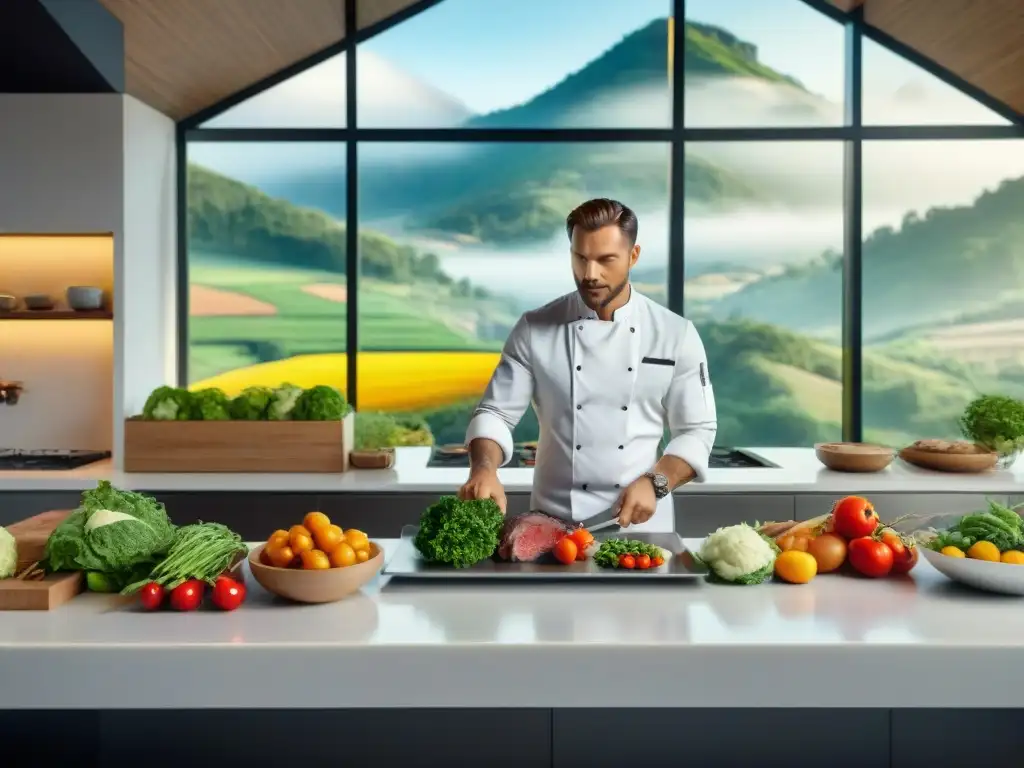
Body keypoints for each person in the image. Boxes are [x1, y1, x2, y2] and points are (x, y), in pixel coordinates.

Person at [457, 198, 717, 532]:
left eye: (606, 260)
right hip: (551, 526)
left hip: (642, 527)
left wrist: (657, 482)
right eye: (580, 258)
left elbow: (697, 430)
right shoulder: (535, 329)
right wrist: (484, 469)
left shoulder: (675, 334)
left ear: (633, 256)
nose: (590, 274)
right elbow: (496, 414)